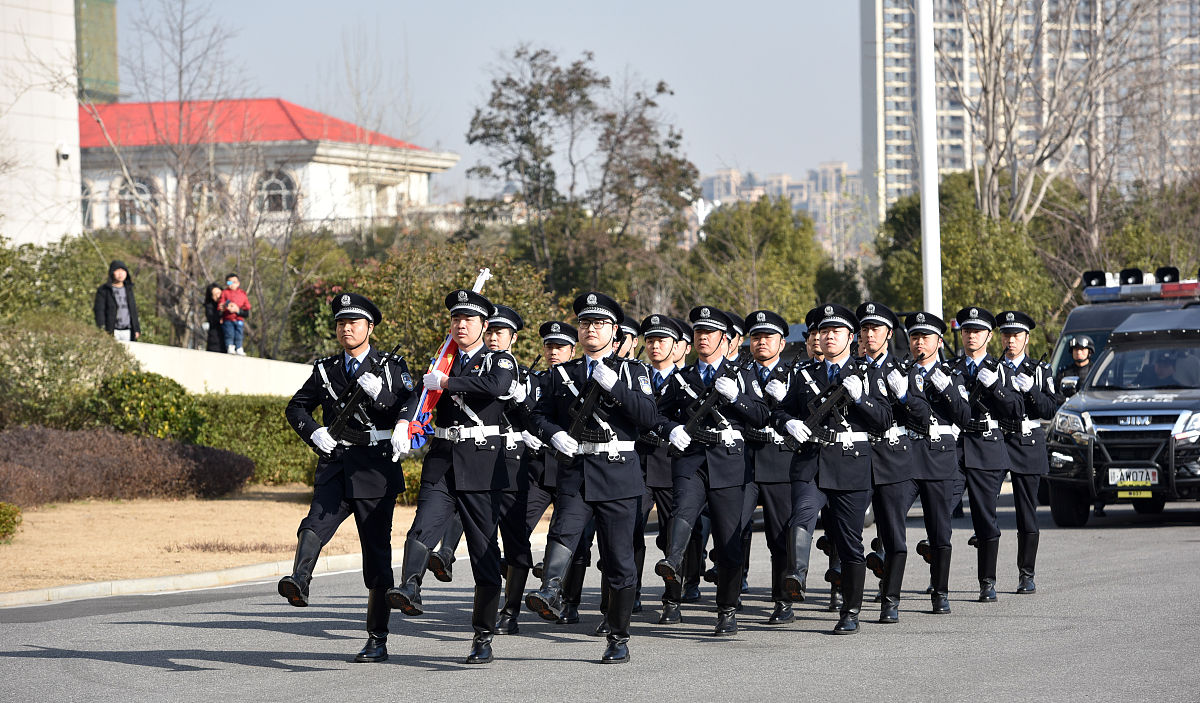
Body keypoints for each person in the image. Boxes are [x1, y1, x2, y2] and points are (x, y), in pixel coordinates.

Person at [278, 292, 415, 663]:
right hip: (337, 462)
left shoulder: (390, 366)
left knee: (376, 554)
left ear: (369, 327)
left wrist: (384, 397)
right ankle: (299, 580)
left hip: (375, 468)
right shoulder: (325, 369)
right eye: (341, 323)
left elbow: (411, 402)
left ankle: (377, 638)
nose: (346, 329)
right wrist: (314, 432)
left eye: (353, 323)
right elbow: (296, 408)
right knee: (314, 522)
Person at [524, 292, 659, 664]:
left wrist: (616, 387)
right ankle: (550, 590)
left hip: (618, 472)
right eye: (585, 323)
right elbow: (537, 415)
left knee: (618, 560)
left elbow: (649, 417)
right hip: (577, 470)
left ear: (614, 331)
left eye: (599, 323)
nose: (590, 330)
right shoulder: (562, 374)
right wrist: (554, 434)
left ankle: (618, 635)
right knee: (563, 531)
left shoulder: (633, 372)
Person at [386, 288, 516, 665]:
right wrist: (403, 423)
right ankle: (410, 586)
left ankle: (483, 635)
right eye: (456, 319)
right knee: (422, 527)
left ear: (484, 325)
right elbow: (418, 397)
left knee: (483, 553)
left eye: (469, 319)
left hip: (481, 466)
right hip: (442, 460)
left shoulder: (499, 360)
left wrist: (446, 384)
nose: (461, 325)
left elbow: (496, 388)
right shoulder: (441, 360)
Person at [772, 303, 892, 634]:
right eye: (823, 331)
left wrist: (862, 399)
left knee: (849, 541)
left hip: (851, 465)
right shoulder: (805, 375)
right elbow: (779, 412)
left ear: (851, 337)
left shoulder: (868, 373)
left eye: (835, 331)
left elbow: (884, 420)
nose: (828, 336)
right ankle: (797, 576)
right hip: (810, 462)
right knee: (801, 515)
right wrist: (788, 423)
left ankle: (850, 610)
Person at [654, 305, 769, 636]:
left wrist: (737, 398)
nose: (702, 337)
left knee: (728, 539)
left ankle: (727, 609)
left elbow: (761, 415)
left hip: (729, 463)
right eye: (698, 332)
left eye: (710, 332)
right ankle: (673, 568)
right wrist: (670, 429)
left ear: (725, 339)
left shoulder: (741, 375)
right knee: (682, 512)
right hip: (691, 460)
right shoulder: (682, 378)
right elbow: (656, 414)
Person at [856, 302, 931, 624]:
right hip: (856, 457)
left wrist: (904, 397)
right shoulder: (851, 369)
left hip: (892, 457)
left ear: (888, 334)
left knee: (893, 536)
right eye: (865, 329)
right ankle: (844, 595)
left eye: (875, 329)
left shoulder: (904, 369)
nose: (869, 334)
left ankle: (890, 598)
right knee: (846, 530)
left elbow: (923, 416)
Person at [950, 306, 1023, 603]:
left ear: (989, 336)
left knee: (984, 518)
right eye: (967, 330)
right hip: (955, 448)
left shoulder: (1001, 369)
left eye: (978, 331)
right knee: (940, 511)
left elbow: (1016, 410)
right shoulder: (951, 368)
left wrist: (996, 388)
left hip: (987, 448)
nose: (971, 335)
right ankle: (937, 582)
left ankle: (987, 581)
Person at [904, 312, 970, 613]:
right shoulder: (900, 373)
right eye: (915, 337)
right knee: (891, 521)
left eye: (925, 337)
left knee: (940, 530)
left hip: (938, 458)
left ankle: (940, 591)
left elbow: (965, 416)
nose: (919, 342)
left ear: (939, 342)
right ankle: (888, 589)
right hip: (905, 458)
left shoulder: (951, 375)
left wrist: (947, 390)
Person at [997, 310, 1059, 594]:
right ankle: (986, 577)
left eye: (1016, 335)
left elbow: (1049, 409)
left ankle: (1026, 573)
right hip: (998, 440)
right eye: (1006, 335)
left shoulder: (1039, 370)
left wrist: (1033, 389)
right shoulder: (993, 368)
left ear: (1026, 338)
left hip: (1027, 442)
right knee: (984, 505)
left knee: (1026, 514)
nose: (1010, 340)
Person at [742, 309, 796, 624]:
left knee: (780, 537)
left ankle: (782, 600)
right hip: (744, 461)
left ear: (781, 342)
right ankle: (729, 598)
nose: (761, 342)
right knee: (733, 530)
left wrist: (787, 400)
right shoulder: (738, 373)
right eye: (756, 337)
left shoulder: (795, 375)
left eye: (768, 336)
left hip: (780, 461)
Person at [93, 260, 140, 341]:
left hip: (128, 331)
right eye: (117, 270)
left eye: (123, 270)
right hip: (112, 331)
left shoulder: (128, 289)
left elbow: (133, 310)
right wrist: (102, 329)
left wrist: (136, 329)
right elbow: (99, 311)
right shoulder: (104, 290)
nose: (120, 273)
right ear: (112, 272)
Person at [217, 273, 251, 355]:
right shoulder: (225, 293)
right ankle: (230, 346)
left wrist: (238, 309)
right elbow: (221, 304)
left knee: (239, 334)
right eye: (229, 282)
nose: (232, 284)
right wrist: (225, 307)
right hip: (228, 318)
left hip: (239, 319)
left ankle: (239, 347)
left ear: (238, 283)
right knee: (229, 334)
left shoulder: (242, 294)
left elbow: (247, 306)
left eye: (234, 282)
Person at [203, 283, 225, 352]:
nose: (218, 296)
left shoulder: (229, 302)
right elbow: (211, 319)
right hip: (216, 342)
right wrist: (220, 312)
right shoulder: (209, 306)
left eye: (219, 293)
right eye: (215, 295)